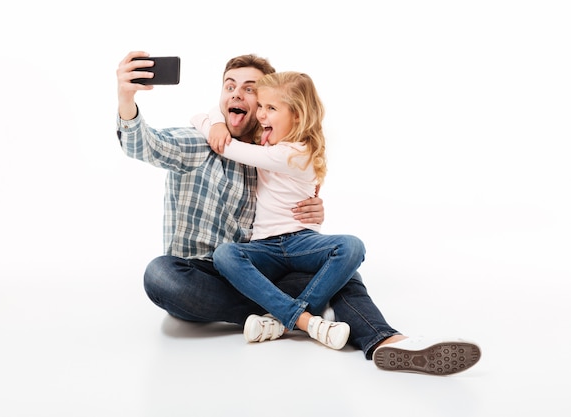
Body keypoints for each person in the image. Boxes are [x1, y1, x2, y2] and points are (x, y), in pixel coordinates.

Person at [115, 51, 481, 375]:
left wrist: (313, 208)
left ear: (266, 106)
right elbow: (142, 143)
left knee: (342, 266)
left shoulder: (268, 149)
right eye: (229, 87)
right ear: (222, 96)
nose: (237, 95)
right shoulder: (199, 142)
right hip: (204, 276)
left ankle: (385, 341)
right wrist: (127, 98)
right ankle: (305, 316)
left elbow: (290, 190)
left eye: (251, 90)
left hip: (258, 269)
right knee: (159, 274)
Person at [191, 71, 365, 350]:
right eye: (260, 106)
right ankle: (307, 320)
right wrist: (216, 120)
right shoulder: (270, 141)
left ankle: (282, 320)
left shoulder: (293, 153)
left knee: (351, 247)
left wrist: (210, 125)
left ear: (297, 116)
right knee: (226, 254)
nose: (261, 115)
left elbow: (227, 147)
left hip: (300, 241)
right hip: (264, 246)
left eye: (271, 108)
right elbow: (216, 111)